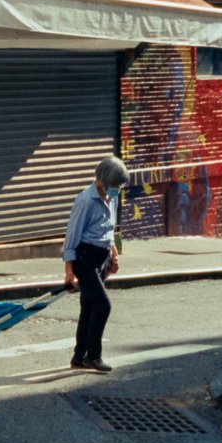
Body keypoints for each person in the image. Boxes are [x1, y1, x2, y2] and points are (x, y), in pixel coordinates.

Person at [62, 154, 130, 373]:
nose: (118, 188)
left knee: (89, 307)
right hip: (85, 259)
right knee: (103, 305)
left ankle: (79, 356)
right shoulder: (85, 201)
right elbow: (71, 238)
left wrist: (114, 253)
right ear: (102, 180)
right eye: (115, 184)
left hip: (101, 257)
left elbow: (109, 229)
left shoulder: (113, 197)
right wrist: (69, 272)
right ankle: (94, 356)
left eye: (120, 185)